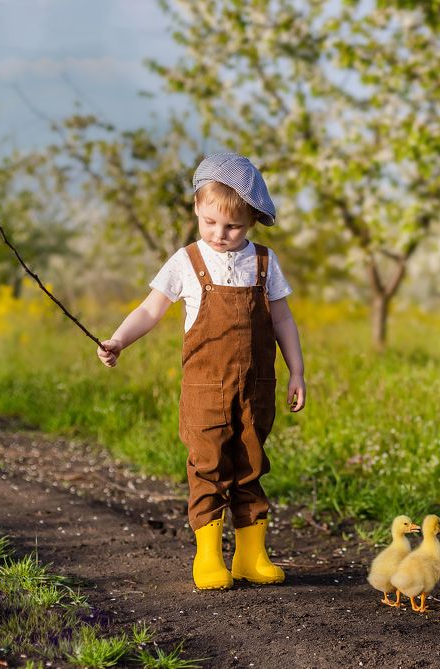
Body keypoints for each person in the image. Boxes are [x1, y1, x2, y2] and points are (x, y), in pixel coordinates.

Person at [97, 152, 306, 590]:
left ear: (250, 219)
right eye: (210, 222)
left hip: (256, 388)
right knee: (208, 464)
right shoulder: (186, 261)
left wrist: (296, 373)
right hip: (204, 390)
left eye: (232, 226)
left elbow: (283, 320)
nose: (220, 234)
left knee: (251, 463)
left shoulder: (263, 263)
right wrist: (118, 339)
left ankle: (251, 554)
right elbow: (150, 309)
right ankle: (209, 556)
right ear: (196, 207)